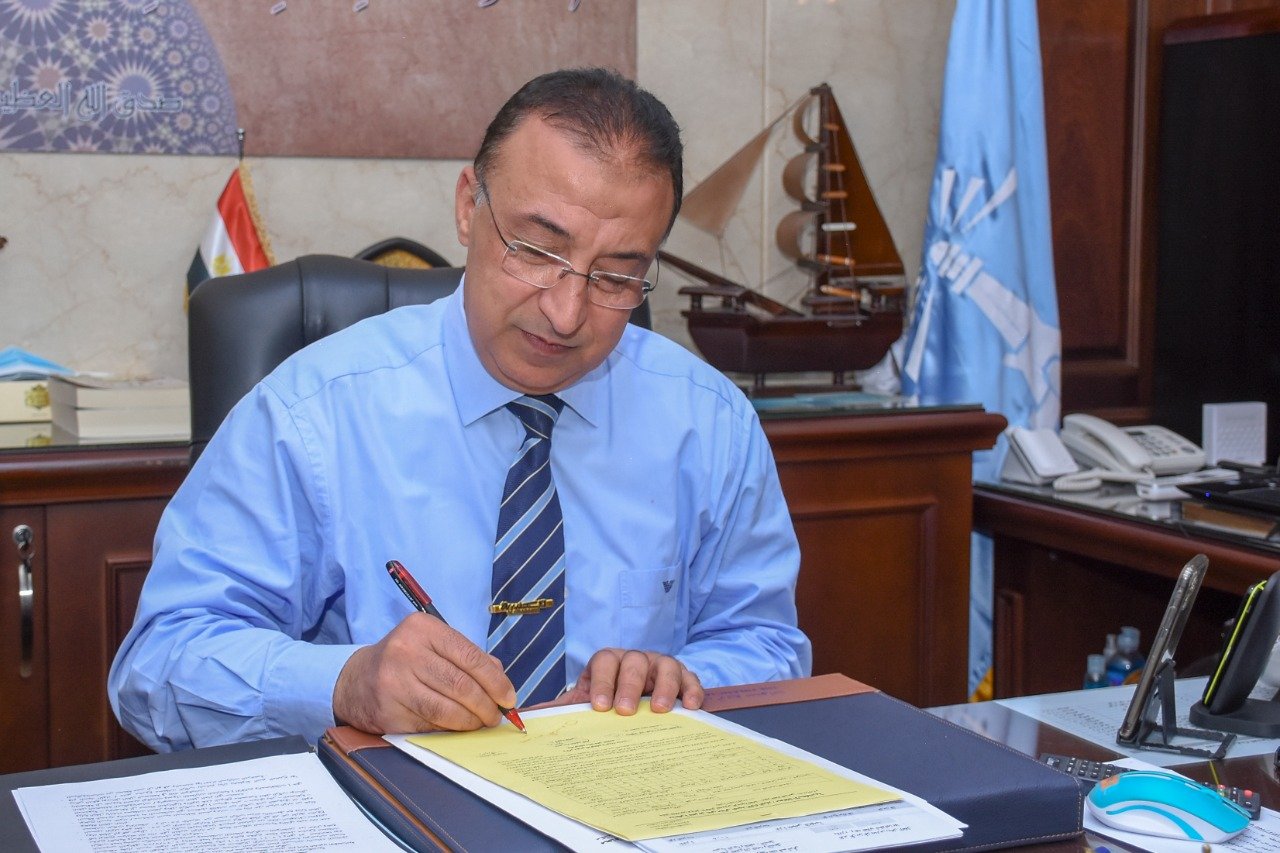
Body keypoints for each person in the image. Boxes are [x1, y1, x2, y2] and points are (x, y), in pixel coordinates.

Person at [110, 67, 811, 752]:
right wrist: (343, 683)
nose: (567, 312)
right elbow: (158, 663)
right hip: (381, 804)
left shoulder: (710, 424)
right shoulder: (312, 415)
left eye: (616, 276)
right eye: (537, 250)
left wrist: (684, 682)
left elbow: (767, 643)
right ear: (468, 207)